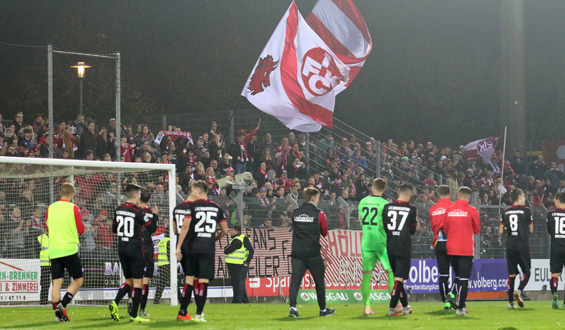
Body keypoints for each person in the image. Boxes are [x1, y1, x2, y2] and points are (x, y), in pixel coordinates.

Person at [176, 180, 228, 322]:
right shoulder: (217, 207)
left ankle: (182, 311)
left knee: (190, 278)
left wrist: (178, 246)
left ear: (199, 191)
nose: (191, 194)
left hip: (192, 246)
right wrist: (215, 239)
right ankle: (199, 314)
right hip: (207, 247)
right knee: (203, 280)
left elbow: (185, 227)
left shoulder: (191, 206)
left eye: (192, 191)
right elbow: (225, 230)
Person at [288, 187, 335, 318]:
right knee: (319, 282)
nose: (318, 200)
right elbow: (325, 232)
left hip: (297, 253)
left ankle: (293, 308)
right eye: (318, 198)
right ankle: (323, 310)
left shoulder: (295, 212)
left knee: (295, 282)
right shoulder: (319, 213)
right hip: (313, 253)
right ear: (314, 198)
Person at [108, 184, 150, 323]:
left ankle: (115, 303)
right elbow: (149, 227)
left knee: (129, 281)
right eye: (139, 194)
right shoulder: (138, 211)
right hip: (135, 248)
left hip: (121, 248)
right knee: (138, 282)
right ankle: (134, 315)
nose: (139, 196)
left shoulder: (119, 209)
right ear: (134, 195)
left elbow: (114, 229)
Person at [45, 182, 85, 322]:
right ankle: (64, 304)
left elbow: (48, 228)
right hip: (69, 249)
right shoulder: (73, 208)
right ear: (72, 194)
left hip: (54, 250)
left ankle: (57, 316)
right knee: (78, 279)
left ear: (60, 193)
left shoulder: (51, 208)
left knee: (56, 283)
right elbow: (81, 229)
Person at [358, 178, 394, 315]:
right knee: (391, 273)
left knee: (366, 276)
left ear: (372, 187)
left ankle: (367, 307)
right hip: (382, 242)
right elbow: (389, 225)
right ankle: (394, 305)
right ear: (384, 189)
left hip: (366, 242)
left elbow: (361, 219)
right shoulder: (386, 204)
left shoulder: (363, 202)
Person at [443, 186, 480, 316]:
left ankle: (460, 303)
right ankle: (460, 308)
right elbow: (477, 229)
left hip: (451, 248)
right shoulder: (472, 210)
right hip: (465, 249)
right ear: (469, 198)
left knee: (457, 276)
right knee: (464, 279)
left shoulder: (449, 210)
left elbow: (446, 229)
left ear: (458, 196)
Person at [383, 183, 418, 317]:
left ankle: (406, 307)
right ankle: (391, 308)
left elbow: (386, 228)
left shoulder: (387, 207)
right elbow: (413, 230)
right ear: (409, 194)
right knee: (399, 279)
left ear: (398, 191)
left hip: (390, 245)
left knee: (399, 279)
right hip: (403, 246)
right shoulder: (412, 209)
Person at [499, 188, 533, 309]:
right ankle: (518, 291)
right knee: (527, 272)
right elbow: (531, 230)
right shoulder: (527, 211)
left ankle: (510, 303)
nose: (525, 199)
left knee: (511, 274)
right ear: (519, 197)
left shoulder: (505, 211)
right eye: (524, 196)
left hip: (510, 245)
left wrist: (510, 229)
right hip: (522, 244)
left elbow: (501, 231)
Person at [429, 185, 456, 310]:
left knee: (443, 275)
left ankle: (446, 302)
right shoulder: (454, 206)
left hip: (439, 242)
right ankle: (452, 294)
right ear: (450, 194)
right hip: (453, 241)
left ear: (438, 194)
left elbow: (433, 227)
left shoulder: (433, 208)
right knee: (461, 273)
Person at [138, 188, 159, 316]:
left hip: (134, 247)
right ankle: (141, 309)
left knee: (133, 279)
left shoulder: (133, 210)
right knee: (145, 281)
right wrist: (155, 215)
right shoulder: (150, 213)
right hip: (147, 248)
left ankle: (132, 304)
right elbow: (153, 230)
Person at [224, 225, 254, 303]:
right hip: (238, 264)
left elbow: (226, 250)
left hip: (238, 265)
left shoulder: (237, 240)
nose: (230, 232)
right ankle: (244, 300)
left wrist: (247, 262)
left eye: (232, 230)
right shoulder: (242, 238)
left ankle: (237, 300)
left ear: (237, 231)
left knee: (238, 283)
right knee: (239, 283)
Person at [547, 192, 565, 309]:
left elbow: (549, 231)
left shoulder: (550, 214)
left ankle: (554, 294)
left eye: (555, 199)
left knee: (555, 274)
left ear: (558, 201)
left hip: (556, 247)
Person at [154, 230, 170, 305]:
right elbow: (169, 253)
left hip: (161, 264)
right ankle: (181, 298)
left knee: (162, 283)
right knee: (172, 282)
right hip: (167, 264)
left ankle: (156, 300)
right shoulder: (169, 241)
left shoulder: (161, 241)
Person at [37, 232, 50, 305]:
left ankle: (56, 301)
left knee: (56, 284)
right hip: (45, 264)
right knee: (45, 284)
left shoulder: (56, 236)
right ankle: (43, 302)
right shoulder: (40, 237)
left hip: (55, 263)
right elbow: (37, 249)